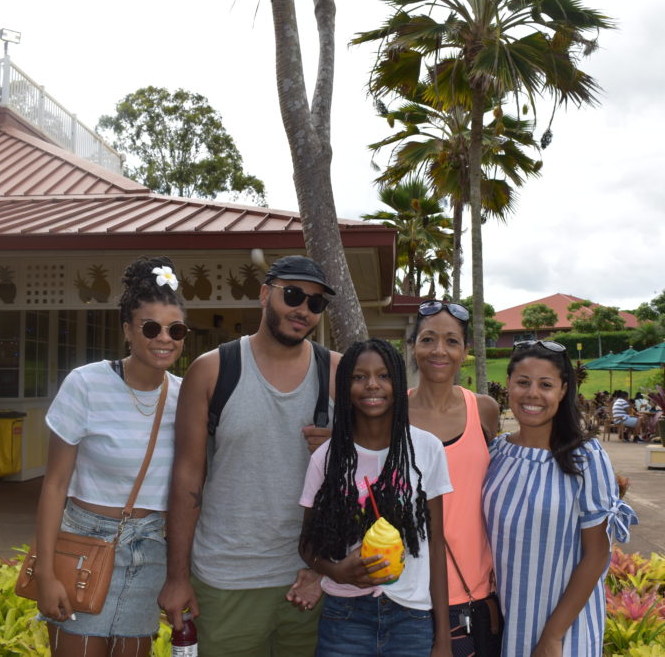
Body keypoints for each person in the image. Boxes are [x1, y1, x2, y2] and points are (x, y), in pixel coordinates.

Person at [159, 255, 341, 656]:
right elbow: (187, 478)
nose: (303, 310)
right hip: (227, 579)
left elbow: (372, 471)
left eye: (315, 303)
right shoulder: (212, 371)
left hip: (311, 580)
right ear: (264, 294)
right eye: (293, 295)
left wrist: (340, 446)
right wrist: (177, 577)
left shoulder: (337, 374)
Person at [34, 256, 187, 656]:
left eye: (176, 329)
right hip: (85, 545)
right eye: (151, 327)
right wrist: (46, 573)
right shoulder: (86, 383)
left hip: (150, 552)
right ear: (127, 331)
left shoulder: (186, 396)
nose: (164, 338)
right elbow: (54, 485)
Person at [298, 339, 452, 657]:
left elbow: (436, 545)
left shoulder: (427, 449)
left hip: (411, 617)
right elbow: (306, 544)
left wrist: (443, 639)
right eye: (359, 377)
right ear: (345, 387)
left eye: (384, 376)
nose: (372, 385)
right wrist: (335, 571)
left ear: (398, 383)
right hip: (344, 618)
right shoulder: (326, 458)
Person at [482, 341, 637, 656]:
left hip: (565, 632)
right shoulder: (496, 451)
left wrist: (552, 636)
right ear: (509, 386)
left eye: (546, 385)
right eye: (523, 382)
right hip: (505, 626)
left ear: (563, 390)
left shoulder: (585, 457)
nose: (532, 394)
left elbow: (596, 555)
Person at [406, 300, 502, 656]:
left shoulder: (484, 410)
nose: (439, 351)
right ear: (414, 345)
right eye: (428, 339)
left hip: (474, 595)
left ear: (465, 351)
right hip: (407, 595)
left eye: (451, 341)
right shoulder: (390, 413)